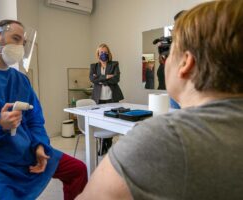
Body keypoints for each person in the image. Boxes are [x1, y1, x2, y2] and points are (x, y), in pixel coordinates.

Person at [76, 0, 243, 199]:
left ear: (186, 62)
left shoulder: (155, 139)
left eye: (171, 51)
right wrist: (105, 78)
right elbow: (95, 79)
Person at [0, 19, 87, 200]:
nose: (20, 46)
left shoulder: (20, 80)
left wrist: (40, 145)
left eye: (23, 43)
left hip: (26, 153)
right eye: (16, 38)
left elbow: (35, 119)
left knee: (77, 170)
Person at [89, 43, 124, 155]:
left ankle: (107, 144)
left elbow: (116, 79)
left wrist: (100, 79)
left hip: (111, 97)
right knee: (100, 122)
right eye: (101, 52)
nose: (103, 54)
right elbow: (92, 79)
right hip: (98, 98)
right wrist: (107, 76)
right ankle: (102, 144)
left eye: (105, 52)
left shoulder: (114, 64)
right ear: (98, 54)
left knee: (111, 121)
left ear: (109, 53)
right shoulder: (93, 66)